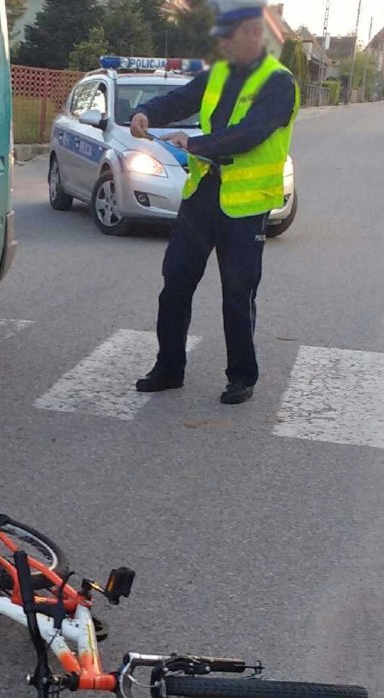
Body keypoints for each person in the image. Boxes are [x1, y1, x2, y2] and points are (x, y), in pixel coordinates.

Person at [130, 0, 299, 404]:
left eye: (229, 37)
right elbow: (181, 99)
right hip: (202, 194)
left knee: (237, 294)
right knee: (175, 283)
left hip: (244, 206)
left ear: (254, 35)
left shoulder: (279, 83)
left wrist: (195, 143)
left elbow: (250, 133)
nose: (222, 44)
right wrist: (145, 113)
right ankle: (169, 367)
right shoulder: (219, 73)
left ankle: (242, 376)